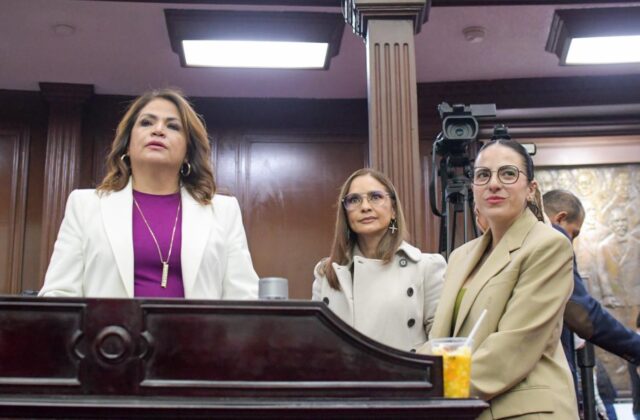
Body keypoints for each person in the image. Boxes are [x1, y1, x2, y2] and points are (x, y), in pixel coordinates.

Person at [39, 88, 259, 299]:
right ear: (127, 145)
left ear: (187, 152)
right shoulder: (85, 206)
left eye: (173, 126)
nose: (158, 130)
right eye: (146, 123)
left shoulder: (223, 211)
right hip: (109, 327)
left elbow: (243, 298)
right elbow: (59, 294)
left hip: (198, 328)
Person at [426, 139, 579, 419]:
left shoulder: (548, 245)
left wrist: (428, 390)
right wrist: (402, 376)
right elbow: (441, 342)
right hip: (464, 406)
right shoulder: (460, 257)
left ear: (531, 189)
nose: (494, 184)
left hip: (524, 411)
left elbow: (513, 349)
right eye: (483, 175)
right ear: (473, 188)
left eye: (508, 173)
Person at [312, 168, 445, 352]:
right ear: (345, 214)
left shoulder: (426, 268)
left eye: (375, 197)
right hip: (343, 371)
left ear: (393, 210)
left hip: (404, 370)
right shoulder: (326, 273)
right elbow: (316, 343)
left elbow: (442, 343)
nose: (365, 207)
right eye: (354, 200)